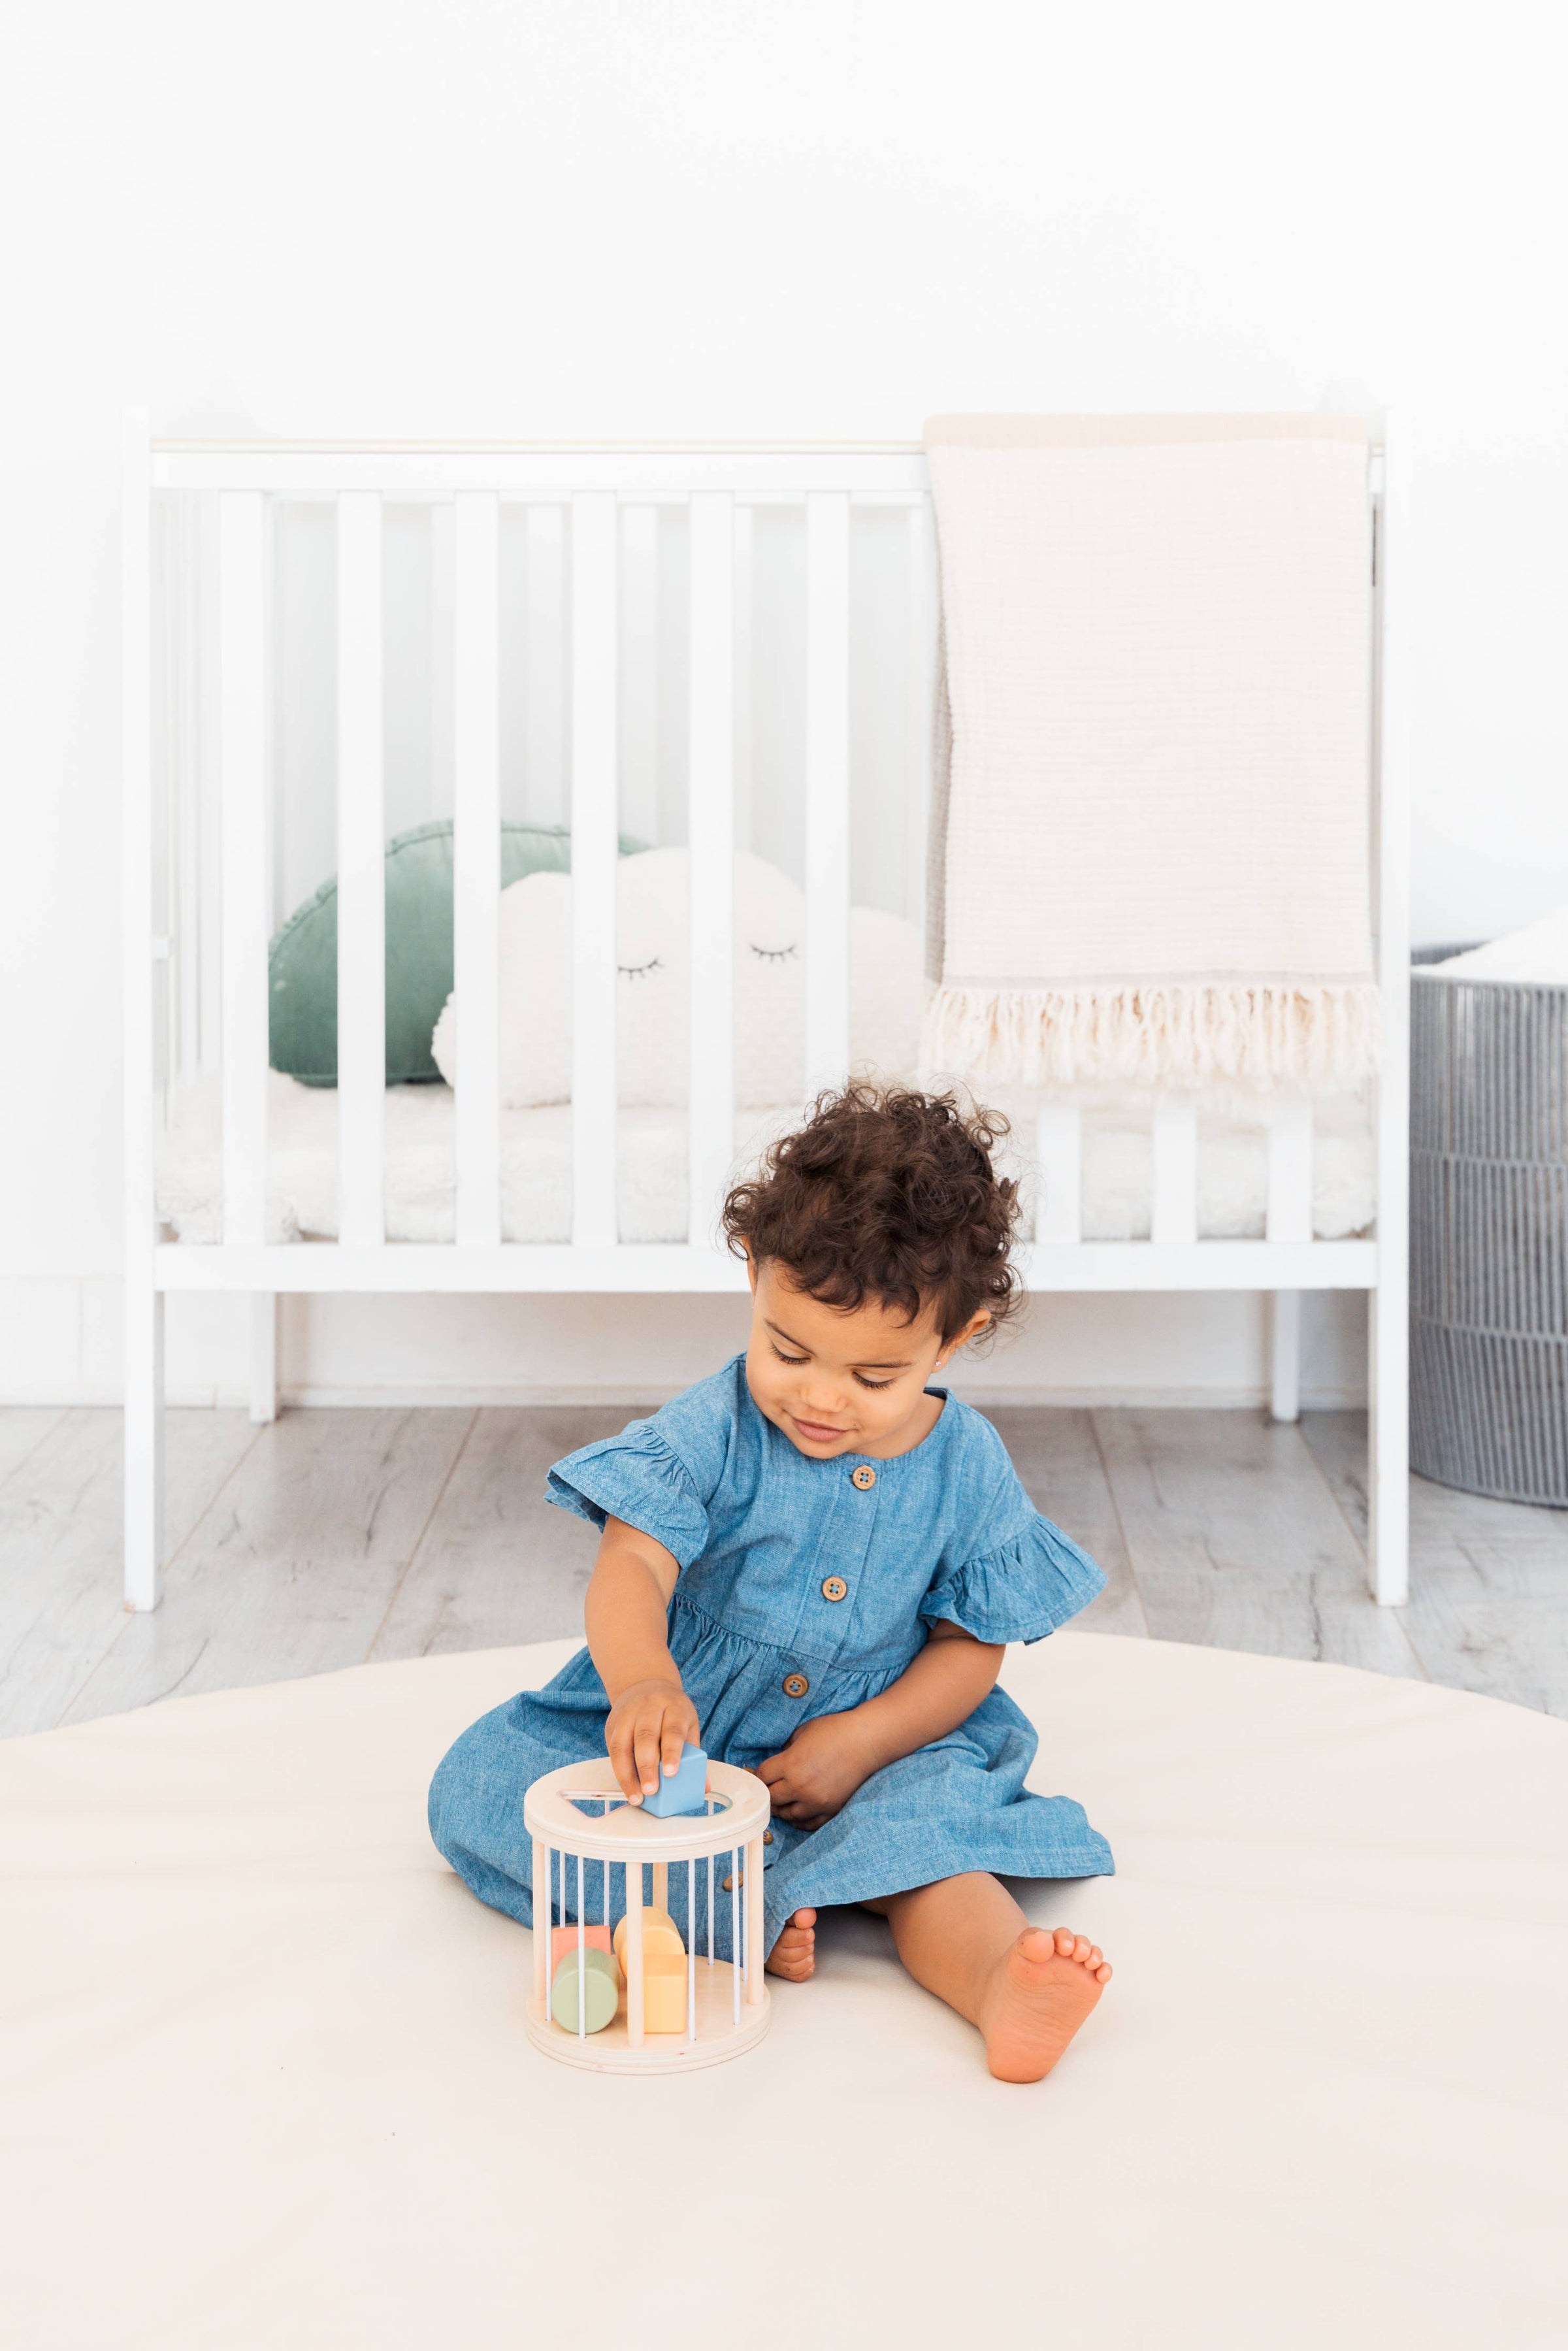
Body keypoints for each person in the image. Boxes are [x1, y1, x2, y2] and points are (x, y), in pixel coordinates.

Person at [429, 1085, 1114, 2081]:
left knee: (931, 1841)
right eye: (788, 1350)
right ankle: (729, 1907)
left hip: (873, 1738)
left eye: (874, 1379)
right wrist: (643, 1683)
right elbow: (633, 1559)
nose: (822, 1397)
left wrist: (864, 1740)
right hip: (684, 1731)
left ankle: (999, 1978)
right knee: (479, 1788)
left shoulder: (969, 1462)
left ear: (955, 1337)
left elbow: (973, 1649)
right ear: (755, 1276)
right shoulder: (718, 1422)